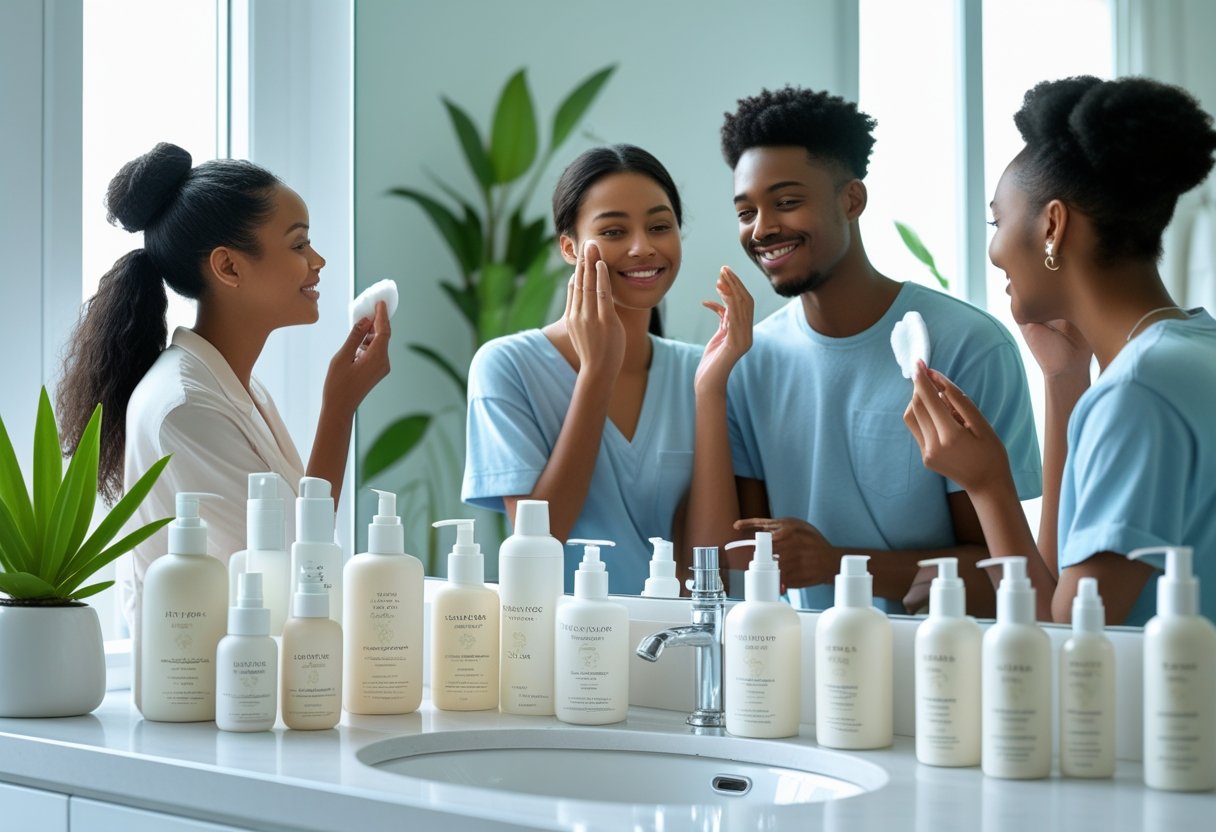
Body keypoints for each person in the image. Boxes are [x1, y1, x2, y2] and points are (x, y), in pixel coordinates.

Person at [687, 86, 1042, 615]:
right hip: (799, 676)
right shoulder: (749, 363)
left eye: (786, 202)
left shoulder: (970, 346)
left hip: (939, 673)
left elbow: (1003, 575)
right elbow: (735, 563)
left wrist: (839, 563)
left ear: (851, 200)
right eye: (746, 212)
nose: (762, 229)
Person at [903, 76, 1216, 625]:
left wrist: (986, 483)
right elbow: (1056, 583)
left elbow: (1065, 639)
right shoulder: (1189, 352)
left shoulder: (1138, 394)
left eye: (997, 222)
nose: (995, 248)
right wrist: (1065, 379)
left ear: (1052, 225)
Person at [56, 142, 392, 624]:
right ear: (229, 266)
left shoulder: (235, 390)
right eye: (299, 245)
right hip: (208, 680)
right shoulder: (185, 406)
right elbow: (297, 564)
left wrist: (341, 404)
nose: (318, 261)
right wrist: (338, 410)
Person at [462, 144, 753, 593]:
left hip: (674, 647)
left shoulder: (702, 371)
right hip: (560, 647)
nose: (643, 247)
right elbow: (541, 541)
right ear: (569, 247)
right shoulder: (506, 367)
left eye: (659, 226)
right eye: (614, 231)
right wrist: (597, 372)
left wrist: (710, 392)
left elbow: (707, 567)